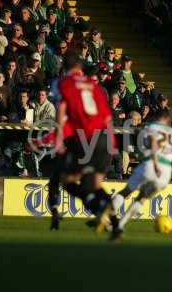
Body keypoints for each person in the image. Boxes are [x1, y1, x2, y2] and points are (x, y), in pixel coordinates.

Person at [50, 50, 114, 232]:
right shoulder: (94, 85)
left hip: (84, 138)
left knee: (68, 179)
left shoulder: (65, 83)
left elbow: (61, 108)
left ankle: (102, 208)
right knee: (94, 185)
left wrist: (59, 139)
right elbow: (108, 117)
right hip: (104, 138)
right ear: (81, 67)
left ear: (65, 67)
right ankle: (110, 219)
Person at [110, 110, 172, 240]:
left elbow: (153, 142)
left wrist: (155, 163)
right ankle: (121, 225)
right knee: (142, 198)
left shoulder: (152, 127)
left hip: (151, 165)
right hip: (165, 173)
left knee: (126, 191)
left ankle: (108, 219)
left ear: (159, 117)